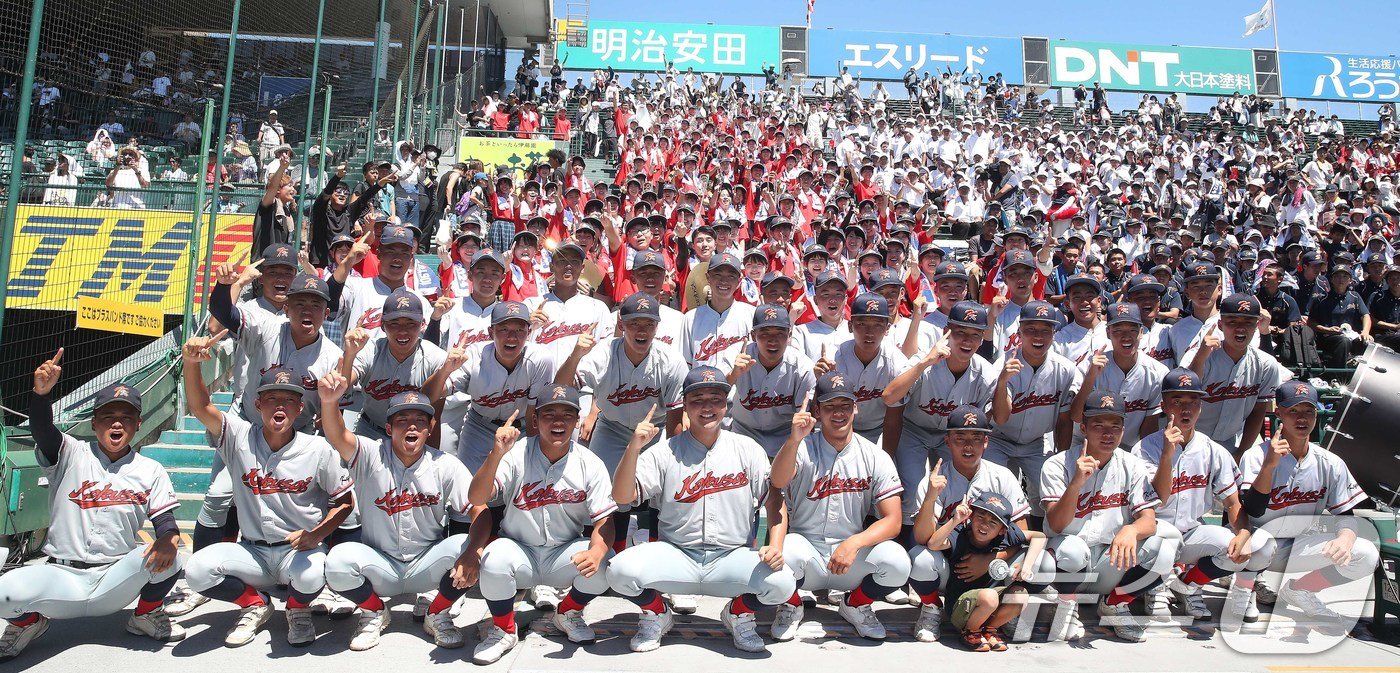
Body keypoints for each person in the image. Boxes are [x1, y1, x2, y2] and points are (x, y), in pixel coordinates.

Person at [0, 359, 183, 662]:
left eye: (126, 417)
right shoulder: (71, 452)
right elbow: (43, 430)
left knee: (169, 553)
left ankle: (145, 615)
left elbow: (165, 522)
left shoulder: (150, 469)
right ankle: (29, 624)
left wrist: (169, 537)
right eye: (108, 415)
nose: (116, 422)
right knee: (2, 594)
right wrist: (41, 395)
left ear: (138, 424)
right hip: (61, 576)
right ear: (94, 423)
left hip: (114, 578)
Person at [606, 365, 797, 653]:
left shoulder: (748, 449)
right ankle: (657, 614)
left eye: (715, 399)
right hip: (677, 554)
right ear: (684, 404)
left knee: (783, 583)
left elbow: (774, 499)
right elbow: (622, 496)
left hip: (731, 557)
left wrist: (777, 545)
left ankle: (739, 613)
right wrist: (633, 448)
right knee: (619, 571)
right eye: (698, 399)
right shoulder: (664, 450)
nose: (707, 407)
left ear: (726, 405)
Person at [181, 340, 354, 648]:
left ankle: (297, 609)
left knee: (314, 575)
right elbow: (199, 406)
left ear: (300, 407)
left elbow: (344, 503)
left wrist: (317, 534)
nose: (279, 406)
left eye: (288, 400)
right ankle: (254, 604)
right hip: (251, 552)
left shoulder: (317, 449)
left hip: (297, 553)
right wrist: (192, 364)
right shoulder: (238, 437)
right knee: (196, 570)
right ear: (258, 404)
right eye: (271, 398)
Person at [316, 379, 477, 651]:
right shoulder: (370, 454)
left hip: (427, 564)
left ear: (431, 428)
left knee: (473, 552)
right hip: (381, 564)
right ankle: (375, 611)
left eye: (420, 420)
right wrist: (330, 402)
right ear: (389, 428)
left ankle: (437, 612)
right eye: (402, 419)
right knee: (337, 562)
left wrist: (474, 551)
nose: (412, 425)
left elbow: (479, 510)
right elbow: (338, 434)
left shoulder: (446, 464)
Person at [466, 384, 616, 664]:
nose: (558, 421)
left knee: (608, 563)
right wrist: (496, 453)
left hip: (563, 552)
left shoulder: (590, 462)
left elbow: (604, 520)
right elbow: (477, 496)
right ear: (535, 420)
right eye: (549, 414)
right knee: (494, 559)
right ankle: (503, 629)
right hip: (519, 550)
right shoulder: (516, 452)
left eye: (567, 414)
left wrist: (596, 552)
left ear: (576, 420)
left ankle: (568, 613)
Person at [768, 371, 909, 641]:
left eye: (845, 406)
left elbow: (893, 521)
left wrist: (855, 543)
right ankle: (791, 605)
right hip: (807, 552)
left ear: (856, 408)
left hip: (849, 557)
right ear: (817, 411)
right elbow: (777, 480)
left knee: (898, 562)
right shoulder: (803, 447)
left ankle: (855, 604)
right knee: (784, 554)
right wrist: (794, 439)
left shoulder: (874, 456)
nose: (838, 413)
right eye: (830, 407)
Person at [1236, 381, 1379, 627]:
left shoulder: (1330, 462)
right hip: (1253, 542)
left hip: (1297, 545)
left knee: (1365, 554)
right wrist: (1270, 466)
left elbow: (1346, 513)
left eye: (1309, 411)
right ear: (1278, 412)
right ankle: (1244, 590)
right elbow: (1253, 509)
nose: (1302, 418)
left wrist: (1345, 537)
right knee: (1260, 543)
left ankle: (1301, 590)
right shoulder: (1256, 456)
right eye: (1293, 411)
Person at [1040, 392, 1180, 643]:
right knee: (1072, 550)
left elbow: (1148, 520)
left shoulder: (1132, 465)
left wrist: (1131, 531)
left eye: (1115, 427)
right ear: (1083, 428)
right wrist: (1075, 484)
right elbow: (1056, 524)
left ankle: (1115, 604)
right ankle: (1066, 605)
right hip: (1066, 562)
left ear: (1123, 431)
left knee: (1164, 550)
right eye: (1098, 425)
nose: (1107, 434)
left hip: (1108, 561)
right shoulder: (1057, 464)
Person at [1132, 369, 1254, 622]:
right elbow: (1160, 499)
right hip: (1154, 537)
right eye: (1177, 401)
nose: (1185, 409)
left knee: (1243, 546)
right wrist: (1167, 454)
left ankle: (1186, 585)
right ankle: (1154, 586)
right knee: (1162, 542)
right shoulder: (1144, 449)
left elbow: (1232, 502)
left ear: (1201, 407)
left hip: (1191, 534)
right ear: (1164, 406)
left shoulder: (1214, 450)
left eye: (1192, 402)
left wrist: (1243, 533)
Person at [989, 301, 1080, 523]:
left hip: (1036, 443)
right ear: (1020, 332)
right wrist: (1002, 382)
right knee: (994, 492)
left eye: (1045, 330)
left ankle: (1043, 541)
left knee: (1048, 492)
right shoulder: (1003, 364)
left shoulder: (1065, 369)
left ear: (1054, 333)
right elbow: (1000, 418)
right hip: (997, 440)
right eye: (1031, 330)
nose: (1038, 336)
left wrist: (1061, 458)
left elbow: (1065, 420)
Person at [921, 490, 1046, 652]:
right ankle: (970, 631)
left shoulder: (1006, 536)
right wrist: (955, 520)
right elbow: (933, 544)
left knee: (1020, 595)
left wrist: (1026, 564)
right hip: (960, 607)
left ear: (1002, 529)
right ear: (971, 517)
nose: (985, 525)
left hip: (989, 605)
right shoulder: (961, 535)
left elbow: (1039, 536)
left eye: (993, 522)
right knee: (989, 596)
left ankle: (989, 630)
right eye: (980, 517)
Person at [438, 301, 556, 471]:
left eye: (519, 330)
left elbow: (533, 414)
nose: (512, 337)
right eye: (504, 329)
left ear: (529, 332)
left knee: (519, 489)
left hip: (520, 431)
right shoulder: (475, 356)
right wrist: (444, 371)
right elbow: (434, 393)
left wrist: (533, 454)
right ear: (490, 332)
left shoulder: (540, 358)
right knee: (469, 489)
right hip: (479, 428)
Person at [1182, 294, 1288, 453]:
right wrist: (1201, 357)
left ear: (1257, 325)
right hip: (1188, 439)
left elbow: (1258, 411)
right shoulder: (1198, 354)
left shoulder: (1266, 364)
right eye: (1232, 321)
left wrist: (1242, 452)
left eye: (1248, 322)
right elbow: (1183, 395)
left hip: (1234, 441)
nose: (1240, 328)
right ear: (1220, 324)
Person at [1070, 303, 1168, 449]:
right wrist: (1090, 377)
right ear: (1108, 333)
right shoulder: (1089, 365)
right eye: (1118, 331)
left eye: (1132, 330)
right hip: (1085, 444)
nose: (1126, 337)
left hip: (1132, 447)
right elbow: (1077, 417)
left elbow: (1149, 426)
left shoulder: (1158, 372)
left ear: (1141, 332)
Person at [726, 304, 816, 456]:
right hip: (741, 436)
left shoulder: (802, 367)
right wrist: (733, 375)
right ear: (753, 335)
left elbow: (805, 420)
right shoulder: (735, 356)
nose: (772, 340)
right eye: (765, 333)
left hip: (785, 440)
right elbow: (713, 393)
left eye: (780, 333)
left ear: (789, 335)